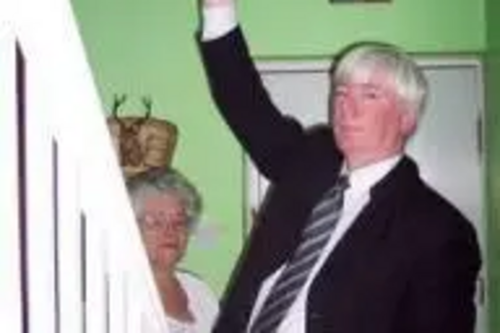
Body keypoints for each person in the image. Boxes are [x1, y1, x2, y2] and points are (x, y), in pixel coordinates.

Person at [196, 0, 482, 332]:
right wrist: (218, 9)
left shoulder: (439, 229)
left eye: (370, 95)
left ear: (407, 117)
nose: (347, 108)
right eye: (341, 93)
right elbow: (243, 101)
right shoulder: (311, 158)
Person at [127, 167, 219, 333]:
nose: (170, 232)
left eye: (179, 222)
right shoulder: (119, 297)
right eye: (155, 222)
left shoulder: (199, 291)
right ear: (130, 228)